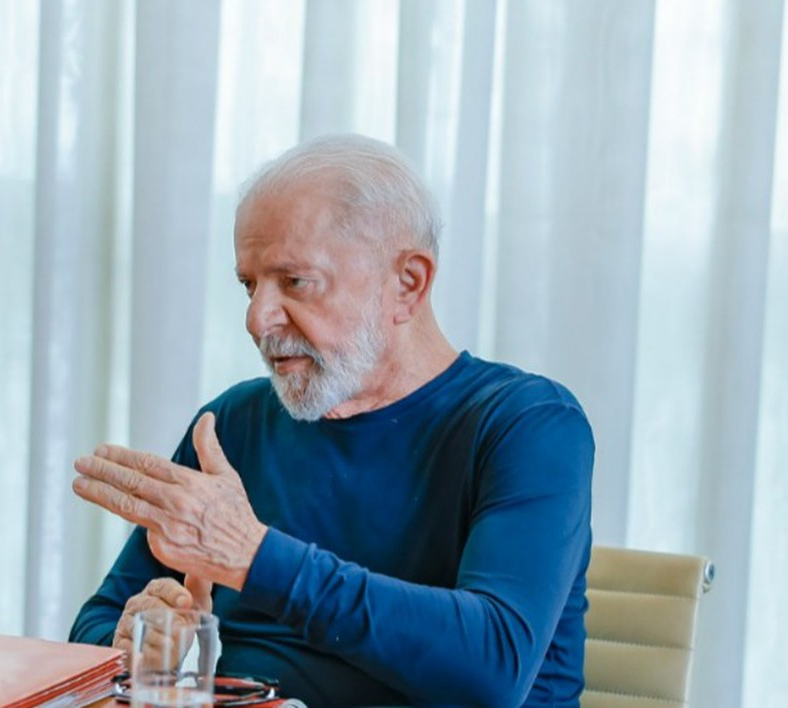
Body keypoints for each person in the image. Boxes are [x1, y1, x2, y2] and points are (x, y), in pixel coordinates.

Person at [69, 134, 594, 707]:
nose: (257, 318)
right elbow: (98, 623)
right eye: (249, 285)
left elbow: (493, 669)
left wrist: (252, 556)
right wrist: (134, 644)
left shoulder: (529, 425)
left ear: (408, 283)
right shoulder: (234, 424)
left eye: (295, 281)